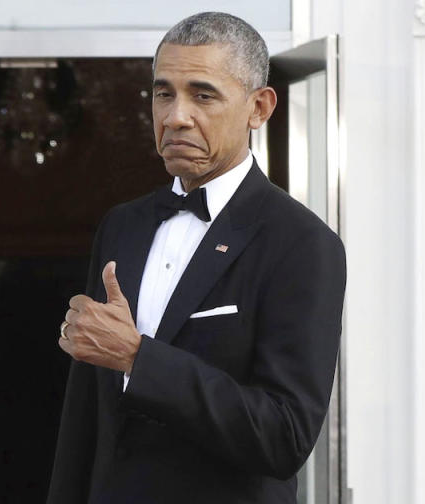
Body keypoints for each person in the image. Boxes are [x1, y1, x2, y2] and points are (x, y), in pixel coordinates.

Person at [48, 12, 346, 503]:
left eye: (203, 95)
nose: (175, 116)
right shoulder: (123, 224)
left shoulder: (301, 242)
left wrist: (138, 358)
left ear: (259, 107)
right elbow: (84, 414)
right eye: (163, 93)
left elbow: (284, 436)